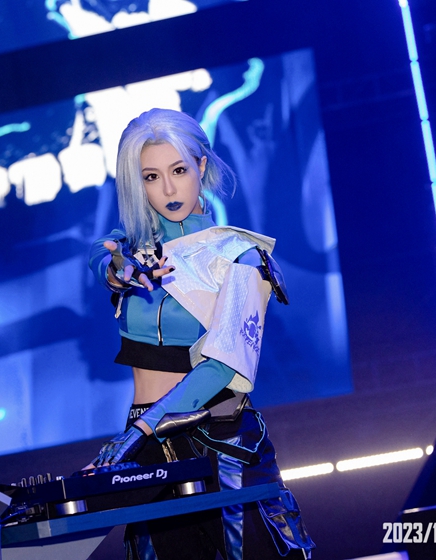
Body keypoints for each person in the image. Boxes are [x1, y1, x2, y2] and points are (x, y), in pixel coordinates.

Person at [87, 108, 316, 559]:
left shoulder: (240, 255)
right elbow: (102, 254)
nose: (168, 189)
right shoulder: (130, 249)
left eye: (178, 171)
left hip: (218, 436)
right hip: (146, 438)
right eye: (151, 177)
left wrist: (142, 430)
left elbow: (224, 365)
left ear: (201, 166)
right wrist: (114, 271)